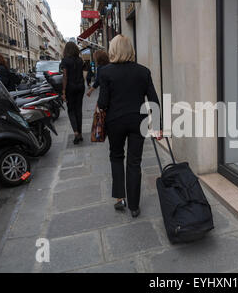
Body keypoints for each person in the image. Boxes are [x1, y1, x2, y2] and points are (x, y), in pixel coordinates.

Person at [97, 35, 162, 218]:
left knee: (116, 157)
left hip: (115, 122)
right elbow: (154, 100)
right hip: (137, 122)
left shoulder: (106, 72)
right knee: (134, 162)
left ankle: (120, 198)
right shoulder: (143, 71)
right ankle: (134, 206)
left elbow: (102, 103)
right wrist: (157, 126)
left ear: (113, 50)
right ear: (130, 50)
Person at [61, 42, 85, 145]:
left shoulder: (65, 61)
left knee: (71, 110)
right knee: (79, 110)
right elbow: (83, 74)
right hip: (80, 86)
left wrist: (63, 91)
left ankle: (76, 133)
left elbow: (65, 76)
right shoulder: (80, 60)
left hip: (70, 87)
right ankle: (80, 134)